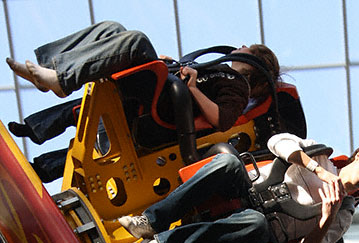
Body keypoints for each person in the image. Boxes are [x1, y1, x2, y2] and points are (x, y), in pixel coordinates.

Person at [6, 21, 280, 180]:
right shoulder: (219, 69)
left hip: (165, 106)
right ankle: (52, 73)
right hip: (160, 90)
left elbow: (223, 120)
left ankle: (62, 80)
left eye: (247, 48)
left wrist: (193, 88)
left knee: (136, 41)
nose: (240, 47)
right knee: (111, 30)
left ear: (252, 62)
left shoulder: (237, 85)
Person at [118, 132, 359, 243]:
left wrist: (326, 217)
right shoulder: (321, 155)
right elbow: (277, 142)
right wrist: (315, 168)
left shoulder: (343, 216)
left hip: (264, 225)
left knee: (254, 222)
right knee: (228, 164)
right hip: (248, 188)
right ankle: (151, 221)